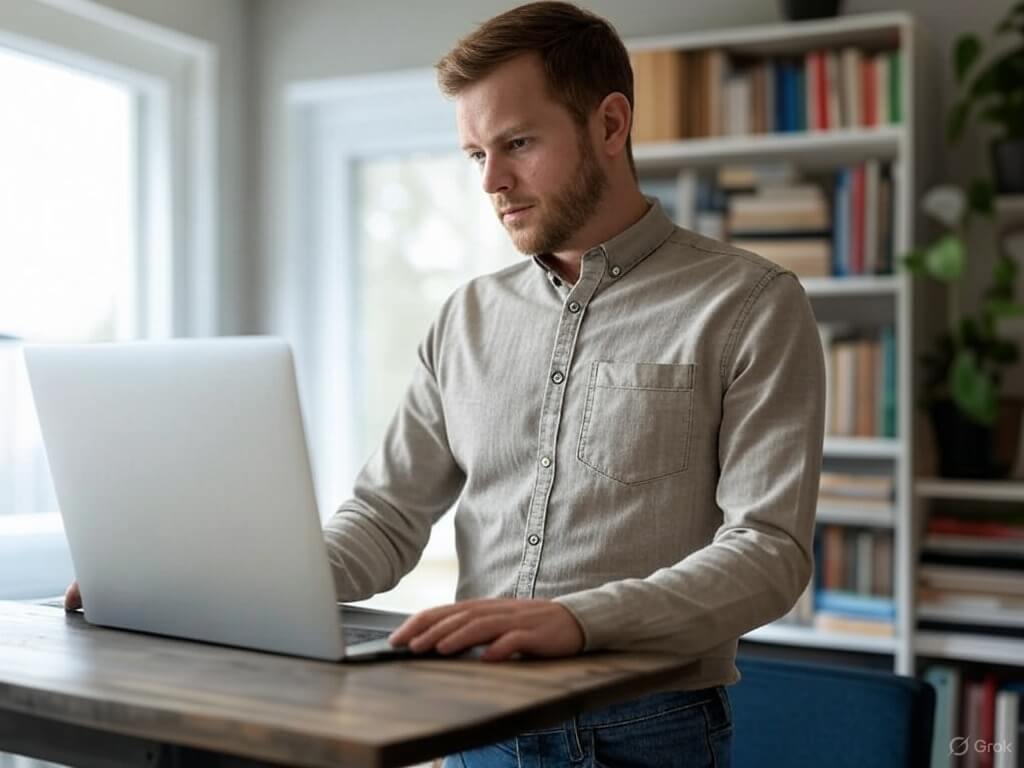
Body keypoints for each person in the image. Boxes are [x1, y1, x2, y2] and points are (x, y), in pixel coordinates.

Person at [67, 2, 825, 765]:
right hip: (471, 721)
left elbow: (769, 554)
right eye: (475, 155)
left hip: (645, 730)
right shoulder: (467, 316)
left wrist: (576, 618)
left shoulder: (749, 303)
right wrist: (214, 586)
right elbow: (385, 517)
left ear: (610, 125)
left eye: (518, 143)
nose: (493, 181)